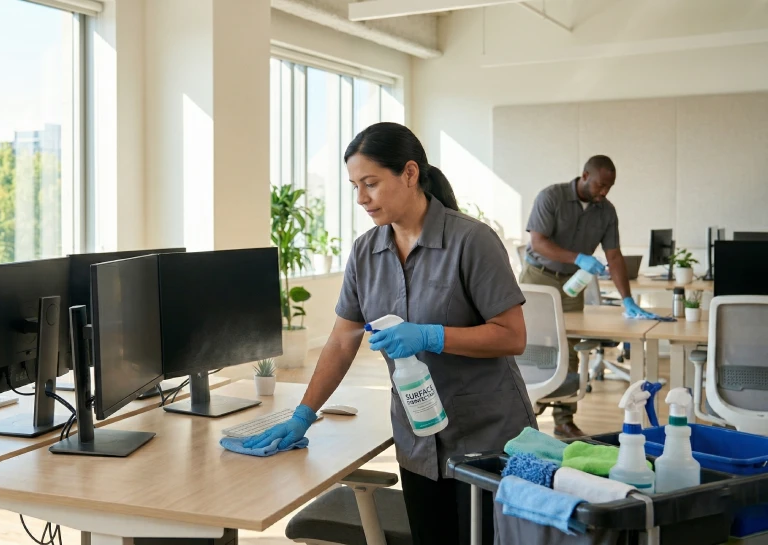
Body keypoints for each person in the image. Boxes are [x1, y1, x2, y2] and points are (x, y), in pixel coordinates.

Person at [244, 122, 535, 544]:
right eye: (355, 186)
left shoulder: (471, 241)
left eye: (371, 183)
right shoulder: (366, 252)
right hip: (419, 442)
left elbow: (513, 336)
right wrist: (303, 414)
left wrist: (434, 336)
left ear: (410, 174)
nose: (361, 198)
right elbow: (343, 341)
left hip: (487, 440)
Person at [521, 155, 656, 439]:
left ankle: (563, 420)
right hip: (538, 279)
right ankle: (523, 412)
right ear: (585, 175)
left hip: (572, 285)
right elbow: (538, 242)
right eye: (600, 185)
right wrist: (578, 257)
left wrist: (627, 300)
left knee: (568, 348)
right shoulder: (551, 197)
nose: (604, 192)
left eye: (609, 187)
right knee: (529, 346)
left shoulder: (606, 212)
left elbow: (614, 255)